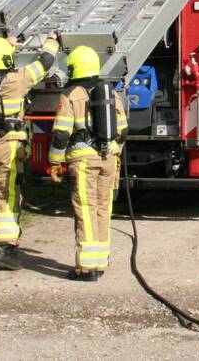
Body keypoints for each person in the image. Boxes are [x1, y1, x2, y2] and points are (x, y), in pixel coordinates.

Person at [0, 31, 60, 270]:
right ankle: (4, 250)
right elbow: (45, 63)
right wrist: (52, 40)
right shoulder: (18, 80)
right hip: (9, 145)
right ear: (6, 60)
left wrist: (6, 46)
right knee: (8, 194)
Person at [48, 45, 128, 282]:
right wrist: (113, 150)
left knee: (85, 209)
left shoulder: (71, 94)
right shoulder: (110, 92)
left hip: (83, 161)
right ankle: (100, 262)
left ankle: (86, 268)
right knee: (103, 208)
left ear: (73, 67)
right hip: (109, 158)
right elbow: (123, 129)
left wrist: (54, 161)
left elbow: (61, 134)